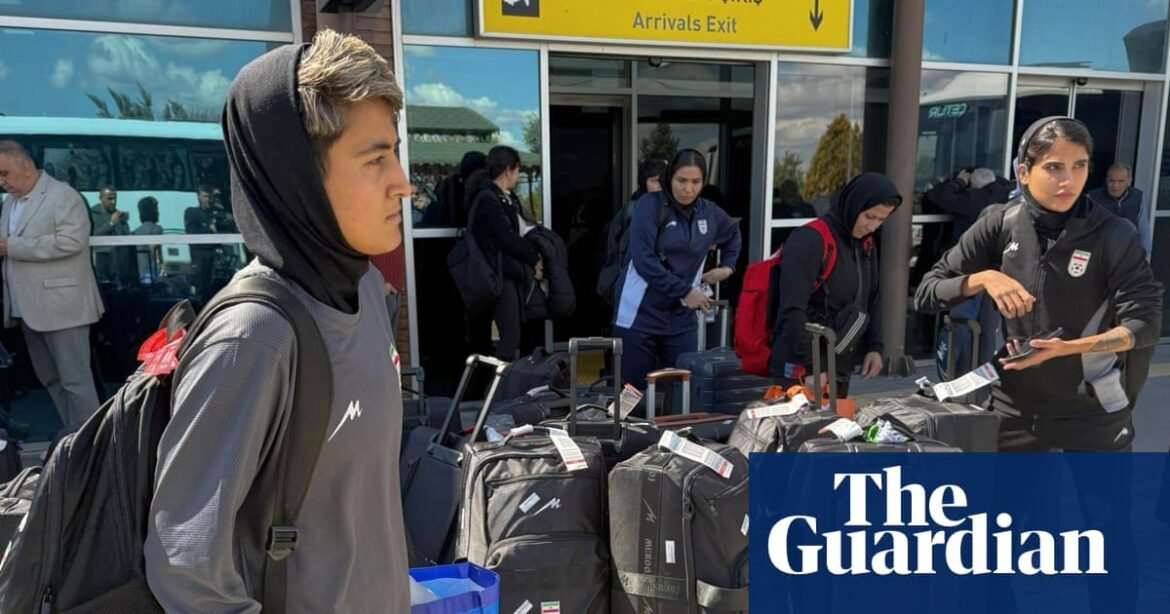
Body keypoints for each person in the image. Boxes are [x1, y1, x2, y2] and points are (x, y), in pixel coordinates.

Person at [144, 29, 411, 611]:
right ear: (300, 181)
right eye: (375, 159)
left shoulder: (365, 289)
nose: (404, 184)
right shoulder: (253, 339)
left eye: (394, 151)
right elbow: (186, 568)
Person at [915, 116, 1162, 452]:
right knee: (1010, 507)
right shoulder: (999, 224)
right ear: (1023, 173)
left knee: (1107, 508)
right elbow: (928, 293)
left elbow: (1145, 324)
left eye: (1079, 166)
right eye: (1054, 167)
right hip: (1015, 410)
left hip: (1094, 410)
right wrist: (984, 278)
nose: (1068, 180)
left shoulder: (1114, 234)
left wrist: (1068, 349)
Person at [613, 149, 742, 391]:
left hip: (680, 317)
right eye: (681, 180)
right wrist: (684, 291)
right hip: (639, 314)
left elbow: (733, 233)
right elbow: (644, 261)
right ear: (669, 178)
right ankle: (631, 429)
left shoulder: (709, 212)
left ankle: (677, 429)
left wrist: (727, 267)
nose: (688, 189)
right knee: (633, 393)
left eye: (696, 182)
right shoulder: (648, 206)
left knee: (683, 389)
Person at [0, 140, 105, 430]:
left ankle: (96, 446)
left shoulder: (63, 196)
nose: (2, 182)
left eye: (4, 173)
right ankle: (75, 437)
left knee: (75, 381)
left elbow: (71, 242)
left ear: (26, 166)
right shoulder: (9, 203)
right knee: (51, 379)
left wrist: (12, 246)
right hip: (27, 310)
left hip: (63, 307)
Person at [768, 172, 900, 396]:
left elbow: (871, 299)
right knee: (796, 430)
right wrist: (812, 366)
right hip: (800, 367)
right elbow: (791, 308)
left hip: (836, 364)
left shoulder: (866, 245)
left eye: (881, 219)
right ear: (853, 204)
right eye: (869, 216)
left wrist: (874, 347)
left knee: (833, 429)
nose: (873, 226)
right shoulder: (810, 240)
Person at [465, 145, 543, 361]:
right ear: (509, 169)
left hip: (502, 272)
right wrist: (533, 256)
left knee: (508, 335)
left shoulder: (499, 197)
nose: (518, 176)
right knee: (509, 337)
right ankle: (501, 389)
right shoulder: (489, 198)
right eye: (518, 170)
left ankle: (499, 385)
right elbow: (505, 237)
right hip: (497, 274)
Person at [598, 157, 667, 304]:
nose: (659, 186)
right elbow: (612, 249)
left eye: (663, 181)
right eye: (654, 181)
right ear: (644, 183)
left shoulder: (676, 211)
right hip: (633, 284)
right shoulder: (632, 211)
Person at [925, 167, 1013, 245]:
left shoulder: (972, 198)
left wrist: (960, 181)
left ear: (972, 185)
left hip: (971, 248)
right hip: (997, 247)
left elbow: (941, 197)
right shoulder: (1006, 192)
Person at [1087, 162, 1152, 256]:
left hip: (1129, 250)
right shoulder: (1092, 197)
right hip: (1101, 252)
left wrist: (1145, 254)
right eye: (1111, 181)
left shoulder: (1138, 196)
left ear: (1129, 181)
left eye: (1120, 181)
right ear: (1106, 180)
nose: (1115, 186)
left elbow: (1143, 228)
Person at [89, 185, 136, 285]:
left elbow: (125, 237)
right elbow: (93, 235)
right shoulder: (93, 215)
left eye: (115, 199)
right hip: (102, 258)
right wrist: (111, 224)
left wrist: (125, 225)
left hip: (120, 261)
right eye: (109, 199)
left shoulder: (118, 214)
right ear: (101, 198)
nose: (113, 202)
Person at [133, 196, 164, 282]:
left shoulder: (136, 231)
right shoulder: (157, 229)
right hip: (152, 271)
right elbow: (155, 252)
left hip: (140, 271)